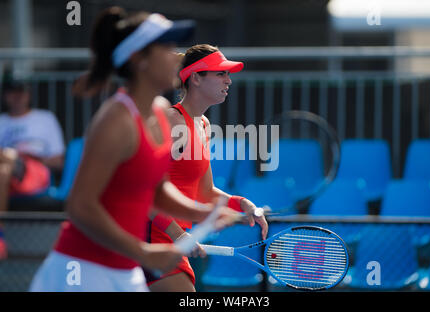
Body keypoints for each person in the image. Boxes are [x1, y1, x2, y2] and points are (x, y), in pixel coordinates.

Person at [29, 7, 239, 292]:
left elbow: (157, 190)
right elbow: (79, 207)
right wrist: (144, 252)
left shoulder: (160, 112)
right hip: (82, 268)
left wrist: (204, 212)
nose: (175, 56)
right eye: (165, 48)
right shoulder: (116, 120)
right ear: (140, 60)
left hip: (125, 270)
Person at [145, 44, 269, 292]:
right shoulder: (169, 121)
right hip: (151, 240)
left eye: (228, 74)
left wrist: (241, 203)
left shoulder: (203, 125)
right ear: (196, 79)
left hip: (171, 243)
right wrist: (179, 236)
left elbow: (204, 191)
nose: (228, 81)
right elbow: (144, 192)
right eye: (220, 73)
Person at [0, 79, 66, 259]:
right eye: (12, 92)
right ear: (5, 96)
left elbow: (59, 161)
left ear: (28, 95)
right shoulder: (1, 121)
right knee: (4, 169)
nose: (17, 97)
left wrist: (30, 157)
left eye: (21, 92)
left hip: (36, 172)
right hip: (7, 175)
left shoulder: (45, 118)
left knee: (8, 159)